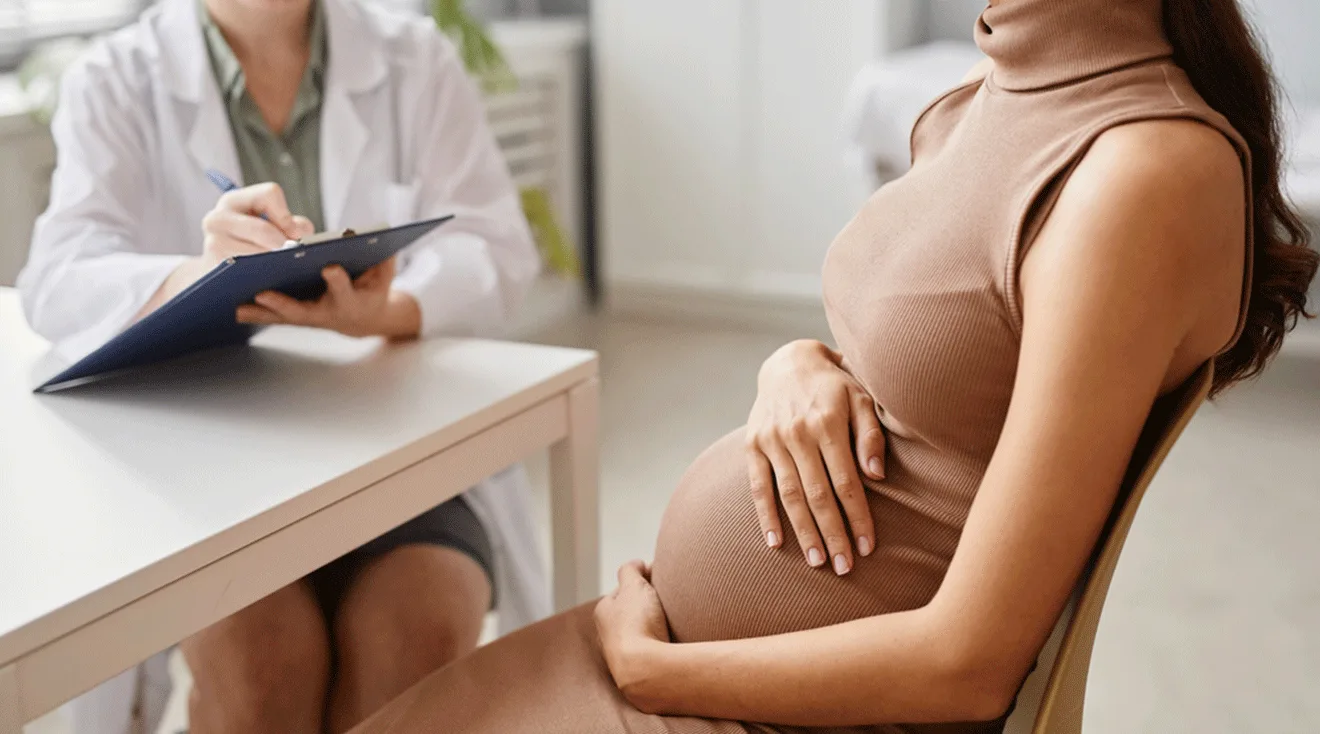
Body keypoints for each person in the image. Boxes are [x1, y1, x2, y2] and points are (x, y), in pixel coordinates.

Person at [346, 0, 1318, 733]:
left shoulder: (1139, 171)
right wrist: (796, 361)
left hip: (767, 705)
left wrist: (649, 670)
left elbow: (971, 662)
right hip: (691, 661)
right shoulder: (983, 98)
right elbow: (917, 348)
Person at [16, 0, 547, 731]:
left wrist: (384, 311)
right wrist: (198, 274)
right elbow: (56, 279)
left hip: (392, 459)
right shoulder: (115, 77)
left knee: (418, 628)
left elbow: (498, 249)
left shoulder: (413, 56)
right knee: (263, 664)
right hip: (215, 480)